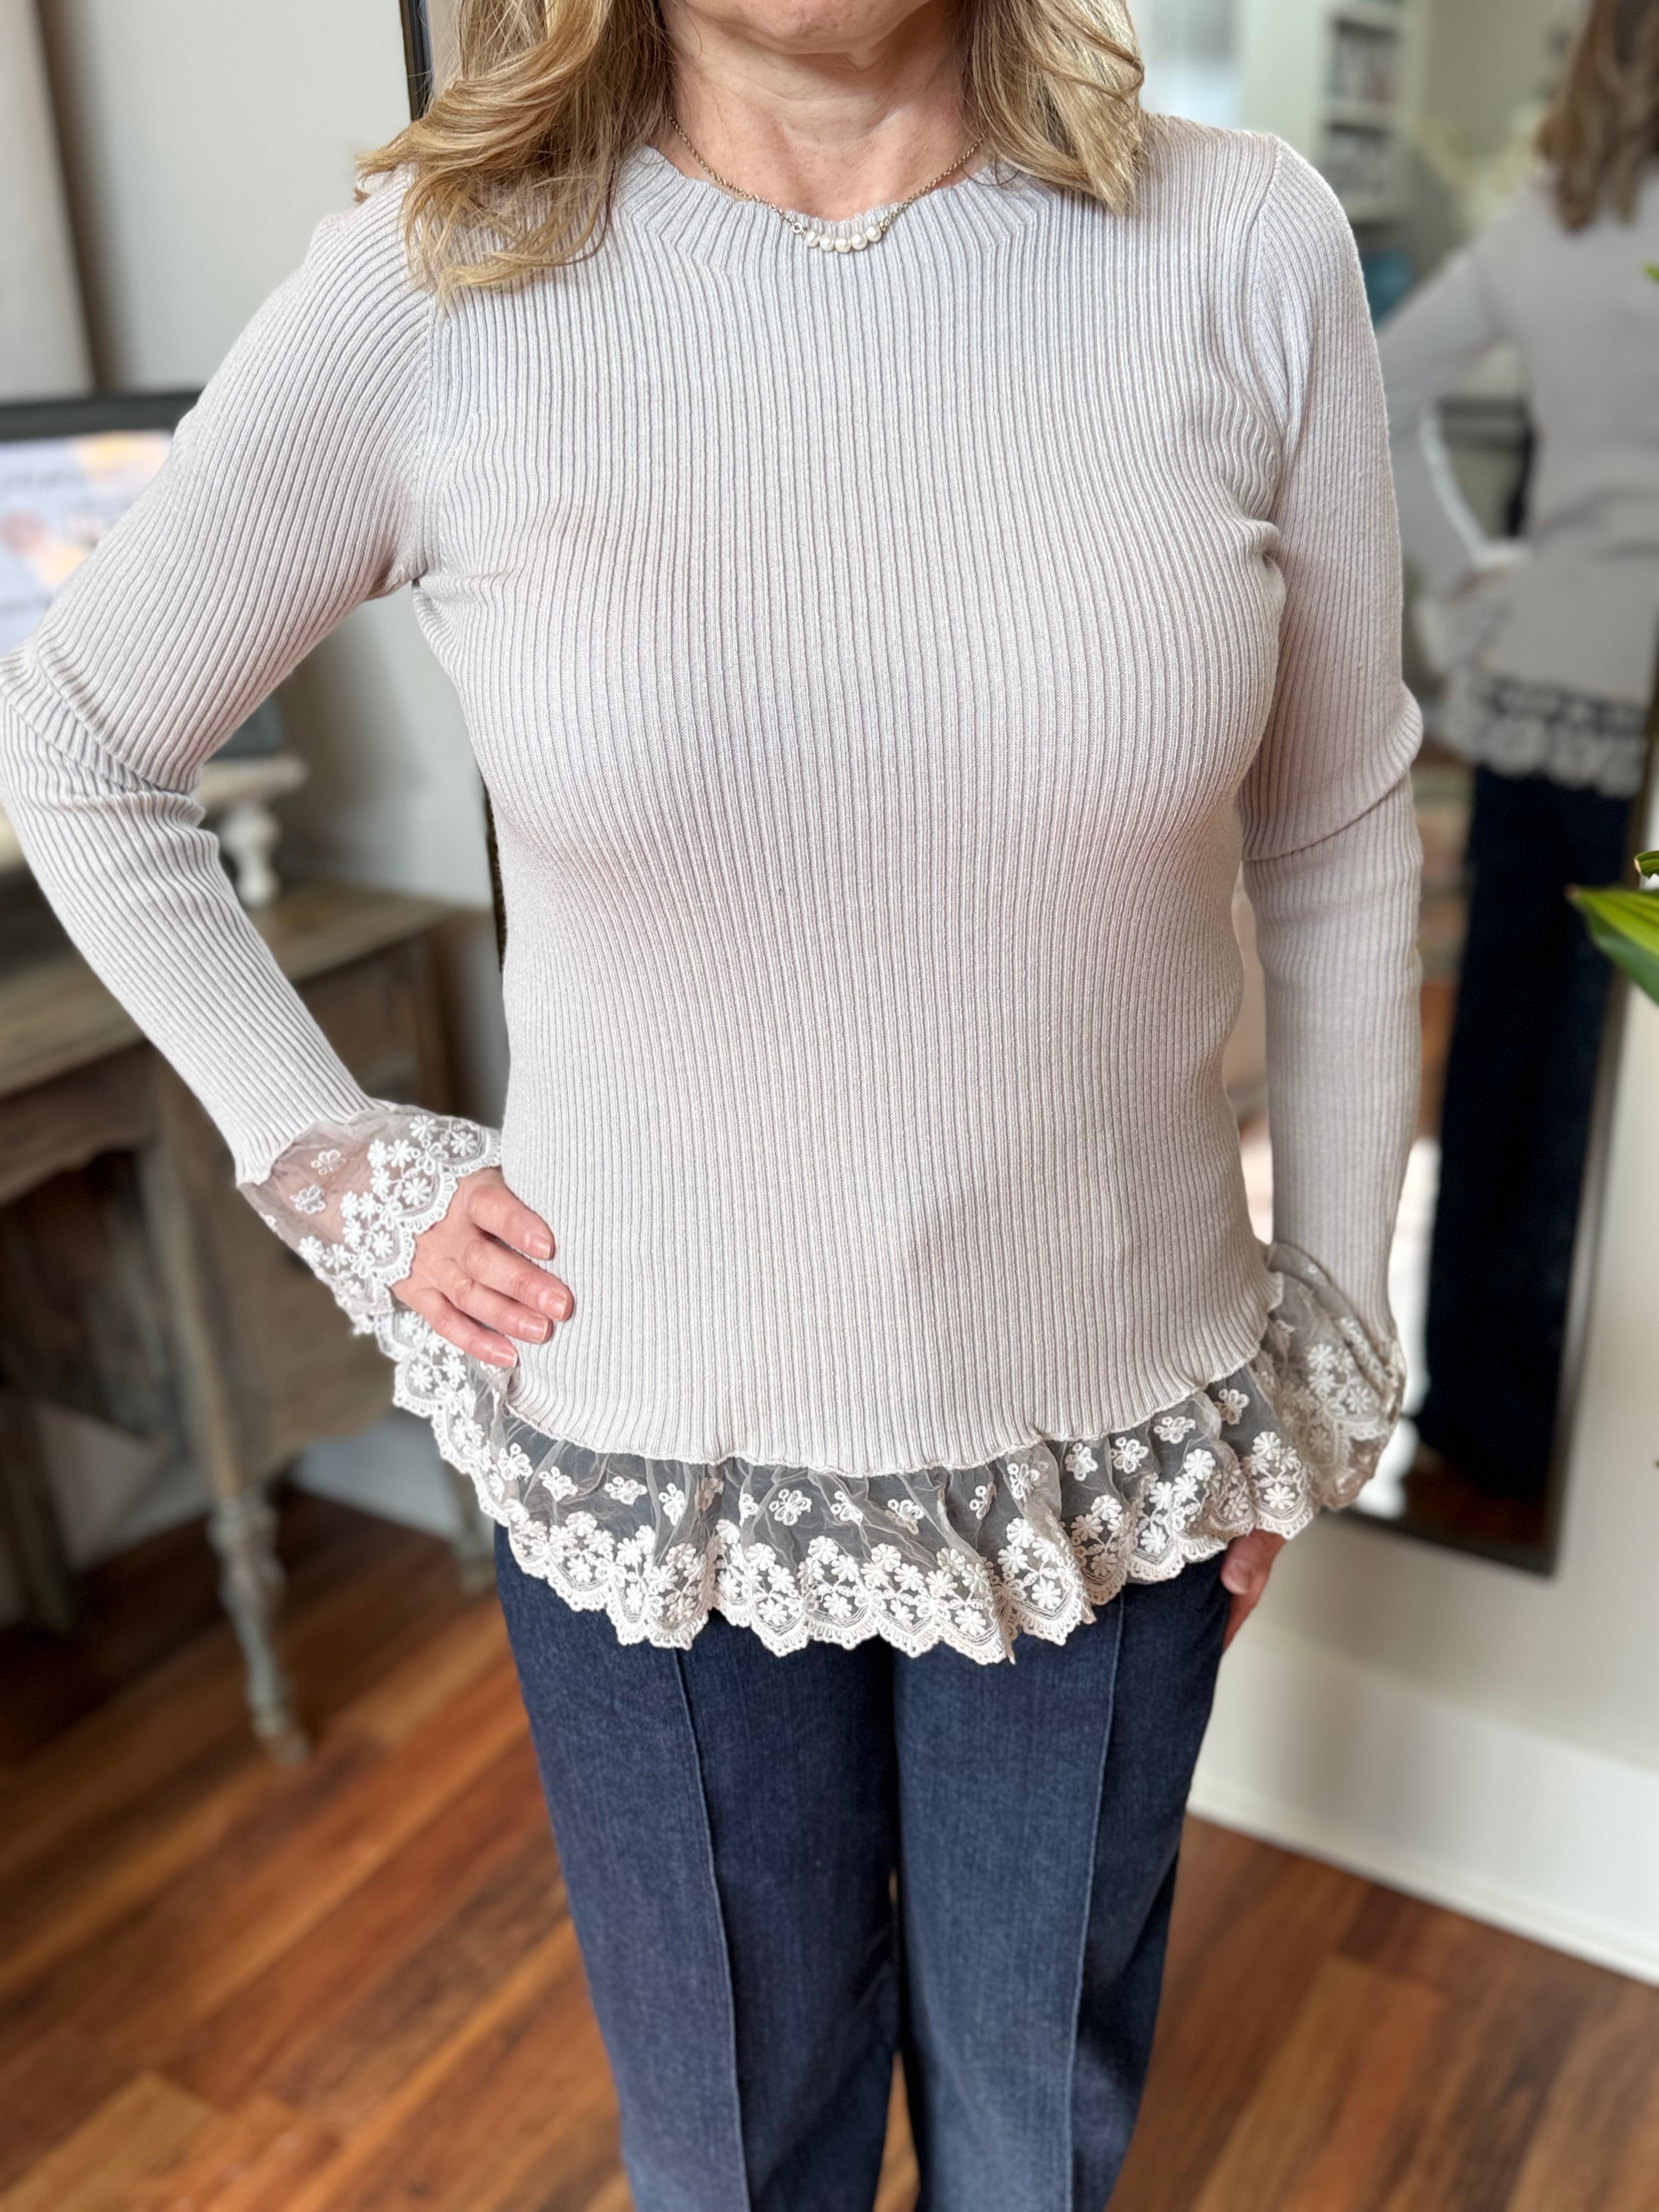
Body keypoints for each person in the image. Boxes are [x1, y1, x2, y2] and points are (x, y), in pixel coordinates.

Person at [0, 0, 1419, 2200]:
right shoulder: (440, 281)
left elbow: (1332, 839)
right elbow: (83, 741)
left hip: (1117, 1450)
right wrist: (331, 1156)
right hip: (652, 1469)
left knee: (1041, 2137)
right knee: (739, 2153)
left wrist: (1327, 1345)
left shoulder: (1246, 247)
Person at [1378, 0, 1659, 1515]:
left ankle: (1471, 1404)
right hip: (1634, 706)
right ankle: (1557, 1424)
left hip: (1544, 679)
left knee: (1500, 1051)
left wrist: (1474, 576)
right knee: (1597, 1088)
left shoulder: (1554, 219)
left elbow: (1382, 386)